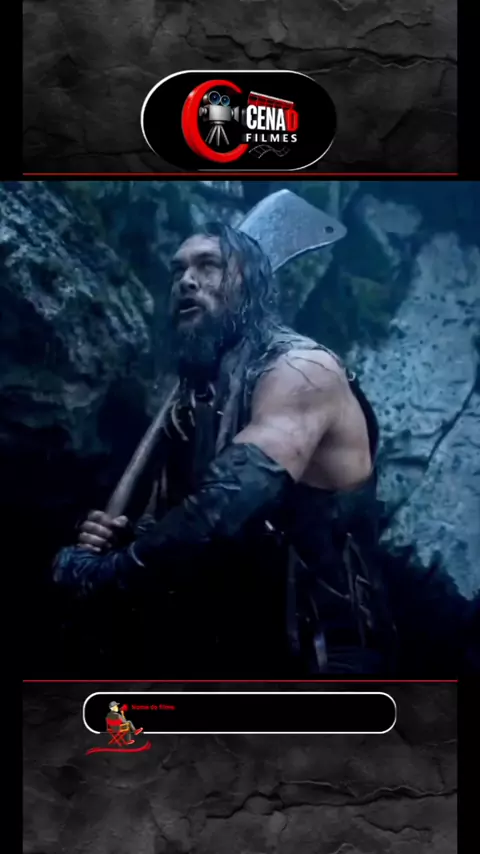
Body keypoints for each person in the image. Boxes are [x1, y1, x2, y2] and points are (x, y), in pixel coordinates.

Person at [53, 223, 398, 675]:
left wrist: (109, 572)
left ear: (250, 285)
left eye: (208, 266)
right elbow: (177, 523)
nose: (186, 280)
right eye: (177, 270)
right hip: (237, 644)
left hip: (324, 657)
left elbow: (223, 505)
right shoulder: (201, 394)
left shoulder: (302, 370)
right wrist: (125, 538)